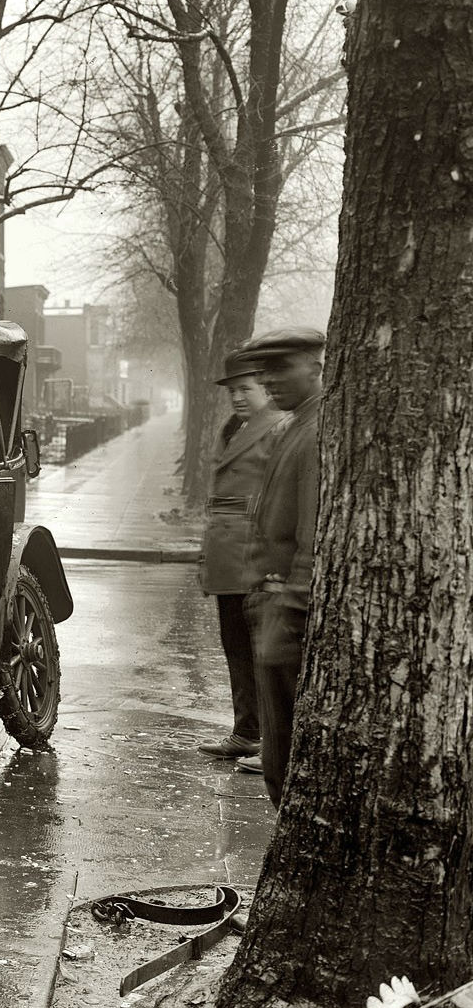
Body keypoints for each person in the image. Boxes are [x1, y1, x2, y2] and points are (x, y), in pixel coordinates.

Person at [240, 325, 326, 807]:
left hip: (289, 613)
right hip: (272, 603)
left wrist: (292, 605)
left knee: (287, 757)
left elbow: (314, 529)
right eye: (264, 370)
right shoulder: (294, 425)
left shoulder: (316, 430)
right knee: (278, 752)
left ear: (316, 367)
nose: (269, 379)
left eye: (281, 367)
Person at [196, 348, 283, 764]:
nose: (238, 398)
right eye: (233, 390)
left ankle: (274, 743)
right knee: (236, 648)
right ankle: (247, 731)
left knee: (264, 653)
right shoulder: (234, 427)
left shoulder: (279, 428)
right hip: (227, 557)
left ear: (266, 386)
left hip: (256, 555)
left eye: (246, 388)